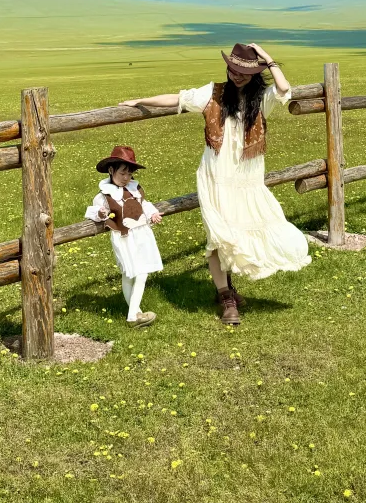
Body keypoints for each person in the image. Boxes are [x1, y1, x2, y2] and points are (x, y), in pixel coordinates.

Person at [122, 42, 309, 326]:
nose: (236, 75)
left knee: (255, 227)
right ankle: (226, 296)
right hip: (214, 178)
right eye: (233, 69)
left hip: (247, 179)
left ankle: (228, 289)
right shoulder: (213, 93)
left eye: (244, 71)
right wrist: (140, 100)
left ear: (256, 72)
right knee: (218, 236)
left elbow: (283, 88)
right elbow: (177, 98)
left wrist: (269, 60)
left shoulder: (263, 98)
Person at [84, 145, 164, 328]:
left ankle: (134, 313)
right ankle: (134, 315)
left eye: (130, 174)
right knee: (130, 274)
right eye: (122, 174)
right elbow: (94, 211)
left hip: (142, 234)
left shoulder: (135, 189)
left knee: (142, 272)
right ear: (111, 171)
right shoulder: (104, 194)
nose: (126, 178)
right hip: (124, 237)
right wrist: (102, 213)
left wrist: (152, 213)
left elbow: (144, 204)